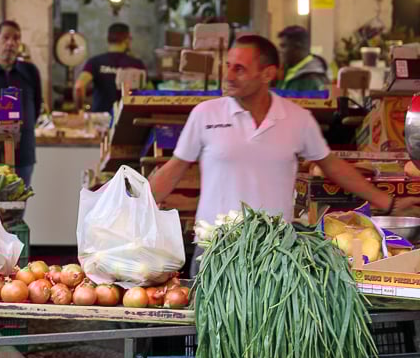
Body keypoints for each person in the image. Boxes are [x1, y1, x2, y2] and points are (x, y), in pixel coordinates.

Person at [149, 34, 418, 272]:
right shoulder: (205, 115)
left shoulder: (296, 119)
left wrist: (389, 204)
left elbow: (334, 167)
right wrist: (129, 208)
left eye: (240, 68)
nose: (229, 75)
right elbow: (173, 170)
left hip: (276, 256)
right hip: (214, 251)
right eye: (228, 66)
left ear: (268, 74)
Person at [0, 19, 43, 189]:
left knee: (18, 204)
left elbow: (36, 107)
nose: (11, 43)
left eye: (16, 38)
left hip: (23, 153)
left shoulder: (30, 71)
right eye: (5, 38)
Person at [74, 22, 147, 115]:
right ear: (127, 39)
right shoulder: (137, 64)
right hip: (127, 119)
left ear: (108, 39)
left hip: (100, 119)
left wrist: (80, 110)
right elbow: (145, 93)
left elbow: (79, 87)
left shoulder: (95, 62)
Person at [275, 26, 329, 93]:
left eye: (283, 46)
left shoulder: (313, 80)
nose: (279, 50)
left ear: (298, 47)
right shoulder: (285, 72)